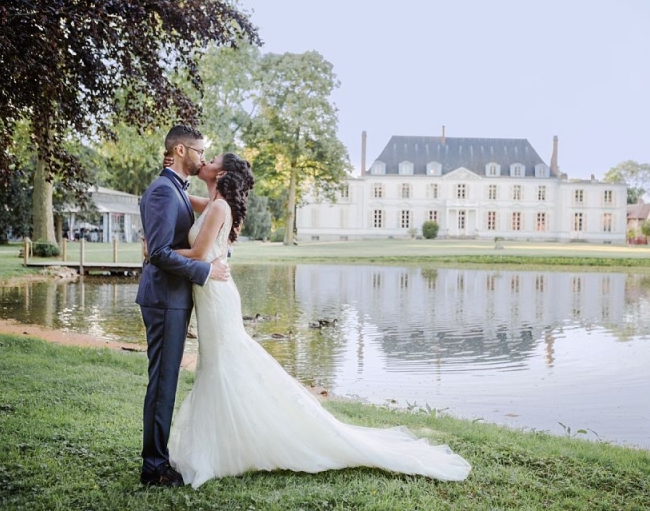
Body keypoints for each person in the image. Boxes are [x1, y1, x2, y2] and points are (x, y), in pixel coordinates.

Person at [167, 152, 471, 489]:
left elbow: (196, 255)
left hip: (217, 298)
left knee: (223, 367)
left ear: (220, 173)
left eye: (210, 159)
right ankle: (224, 443)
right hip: (213, 295)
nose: (203, 161)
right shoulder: (214, 204)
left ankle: (223, 449)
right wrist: (169, 177)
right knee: (219, 367)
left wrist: (157, 253)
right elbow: (185, 201)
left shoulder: (220, 208)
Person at [136, 125, 231, 487]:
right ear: (179, 150)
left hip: (173, 298)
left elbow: (217, 211)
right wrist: (205, 270)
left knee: (166, 381)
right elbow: (159, 254)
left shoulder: (175, 189)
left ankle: (156, 460)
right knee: (162, 383)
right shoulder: (163, 191)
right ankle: (154, 468)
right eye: (199, 151)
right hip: (163, 300)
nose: (203, 157)